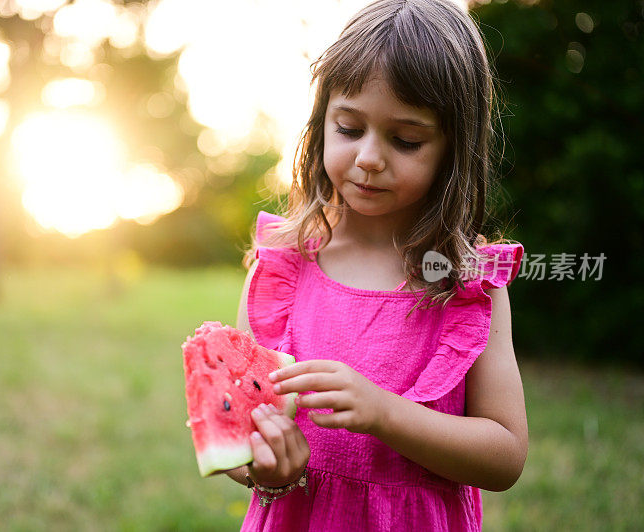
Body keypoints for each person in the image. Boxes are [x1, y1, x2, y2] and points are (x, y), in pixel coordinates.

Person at [224, 0, 529, 530]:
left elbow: (504, 454)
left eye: (405, 139)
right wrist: (267, 468)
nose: (368, 157)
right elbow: (241, 432)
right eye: (348, 128)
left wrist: (385, 414)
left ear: (451, 150)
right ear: (321, 123)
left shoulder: (466, 284)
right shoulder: (281, 269)